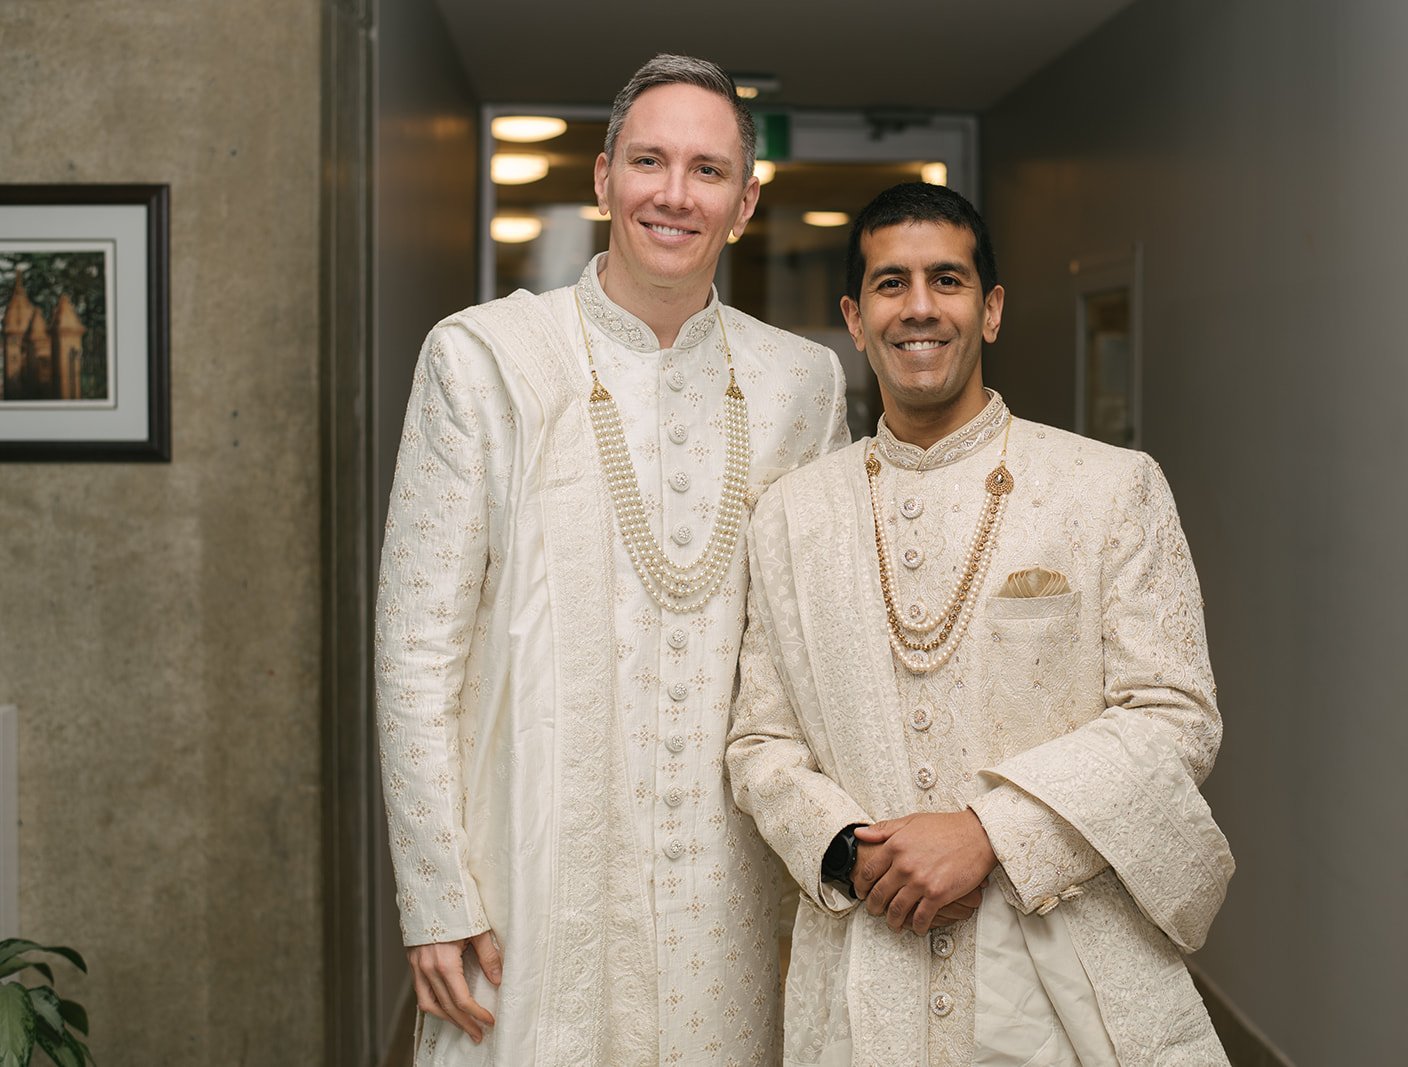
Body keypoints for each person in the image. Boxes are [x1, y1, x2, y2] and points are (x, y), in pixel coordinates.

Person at [376, 54, 849, 1065]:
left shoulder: (802, 383)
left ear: (745, 200)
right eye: (649, 161)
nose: (673, 194)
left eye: (707, 170)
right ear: (601, 179)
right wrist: (435, 891)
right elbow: (416, 648)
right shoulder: (484, 358)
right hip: (528, 859)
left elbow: (813, 652)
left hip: (728, 882)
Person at [727, 182, 1234, 1066]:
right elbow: (759, 741)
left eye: (947, 280)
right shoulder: (790, 518)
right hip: (865, 978)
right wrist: (849, 850)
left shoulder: (1110, 488)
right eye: (890, 284)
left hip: (1062, 979)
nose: (919, 308)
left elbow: (1176, 717)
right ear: (853, 317)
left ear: (990, 309)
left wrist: (989, 831)